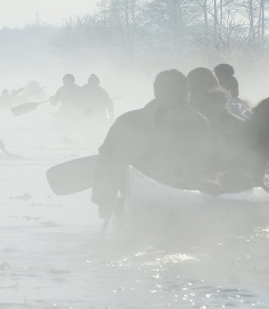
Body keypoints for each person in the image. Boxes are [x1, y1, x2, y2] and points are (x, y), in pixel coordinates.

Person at [91, 70, 212, 220]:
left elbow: (107, 161)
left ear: (155, 90)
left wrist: (104, 201)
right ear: (187, 93)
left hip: (143, 203)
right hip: (186, 205)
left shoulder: (127, 120)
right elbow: (208, 164)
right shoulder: (199, 122)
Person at [208, 95, 269, 193]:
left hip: (222, 171)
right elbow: (260, 159)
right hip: (233, 175)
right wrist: (259, 181)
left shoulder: (250, 126)